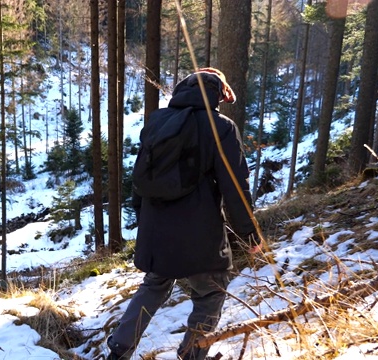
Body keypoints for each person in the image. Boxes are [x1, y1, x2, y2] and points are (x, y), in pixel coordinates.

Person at [106, 68, 262, 360]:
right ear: (217, 95)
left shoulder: (156, 122)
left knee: (154, 286)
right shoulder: (221, 127)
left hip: (156, 225)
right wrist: (249, 232)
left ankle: (118, 350)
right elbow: (235, 185)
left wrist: (143, 217)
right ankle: (192, 354)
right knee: (211, 291)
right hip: (199, 230)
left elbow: (140, 176)